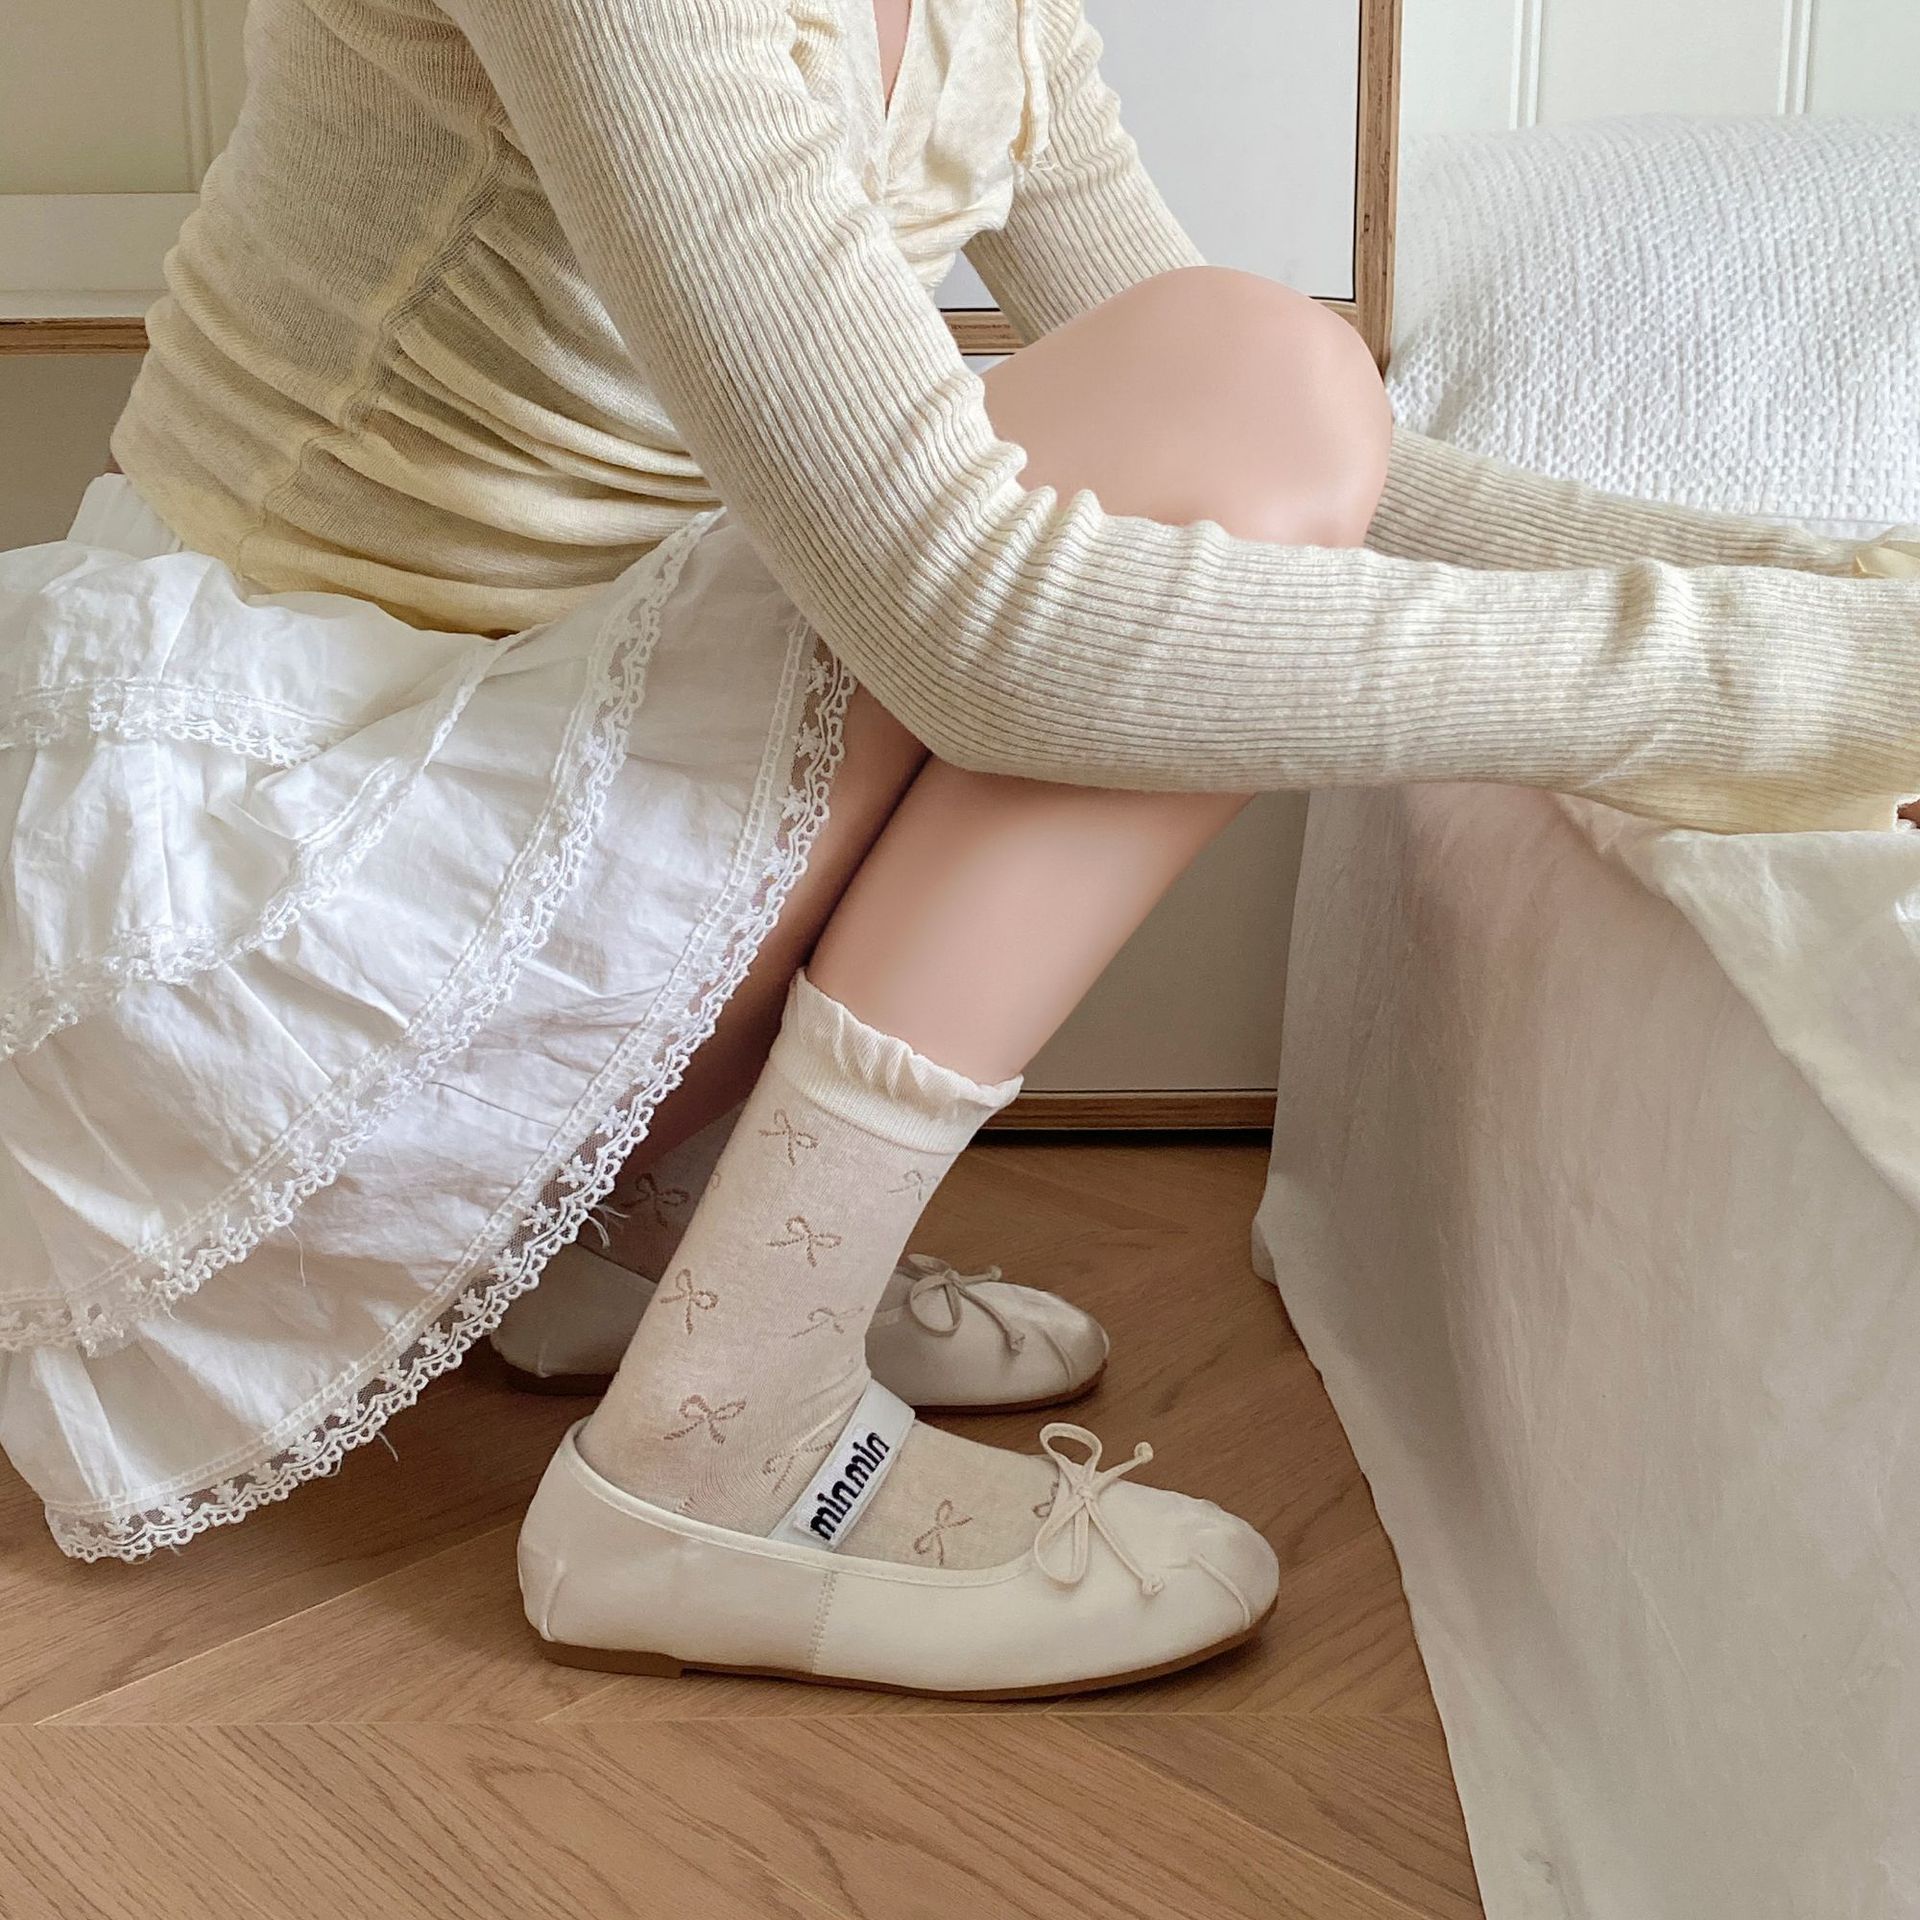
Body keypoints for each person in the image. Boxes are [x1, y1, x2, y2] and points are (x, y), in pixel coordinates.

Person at [2, 0, 1915, 1701]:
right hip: (276, 923)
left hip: (491, 837)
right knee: (1236, 399)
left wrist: (1844, 598)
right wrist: (1782, 691)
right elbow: (980, 632)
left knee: (1260, 390)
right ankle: (722, 1450)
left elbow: (1345, 475)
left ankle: (635, 1242)